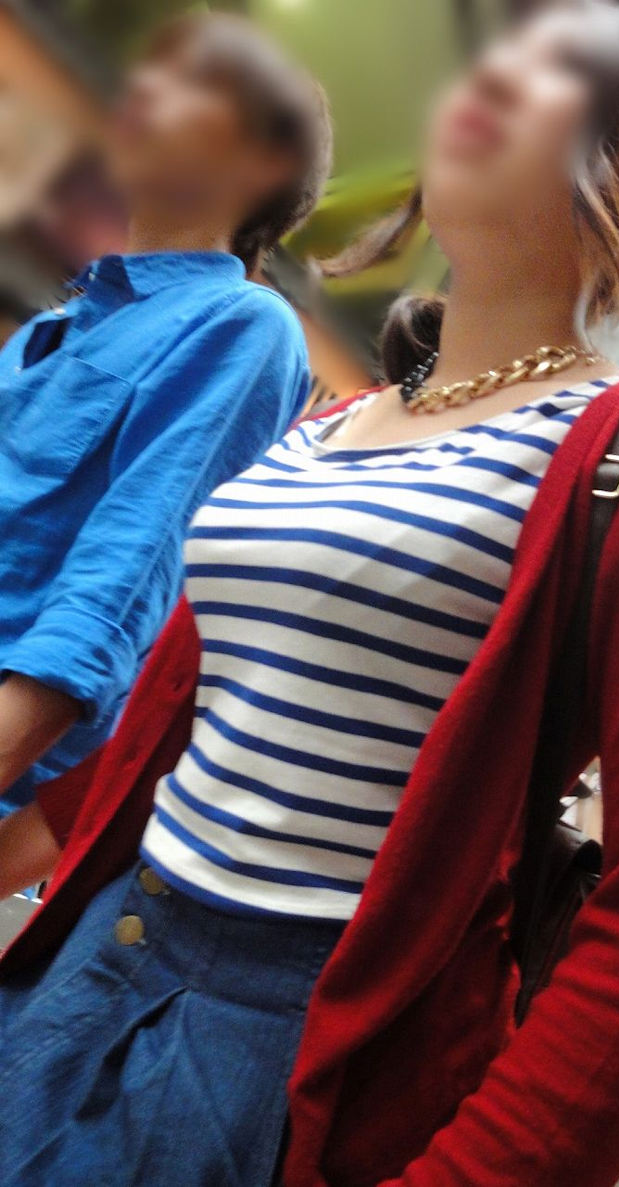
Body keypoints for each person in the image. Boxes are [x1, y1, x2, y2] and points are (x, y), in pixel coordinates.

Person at [0, 3, 619, 1185]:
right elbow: (173, 724)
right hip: (90, 954)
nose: (490, 78)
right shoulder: (328, 427)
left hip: (285, 1039)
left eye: (557, 76)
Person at [0, 13, 331, 838]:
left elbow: (118, 586)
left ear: (264, 161)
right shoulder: (56, 326)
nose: (144, 88)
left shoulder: (245, 324)